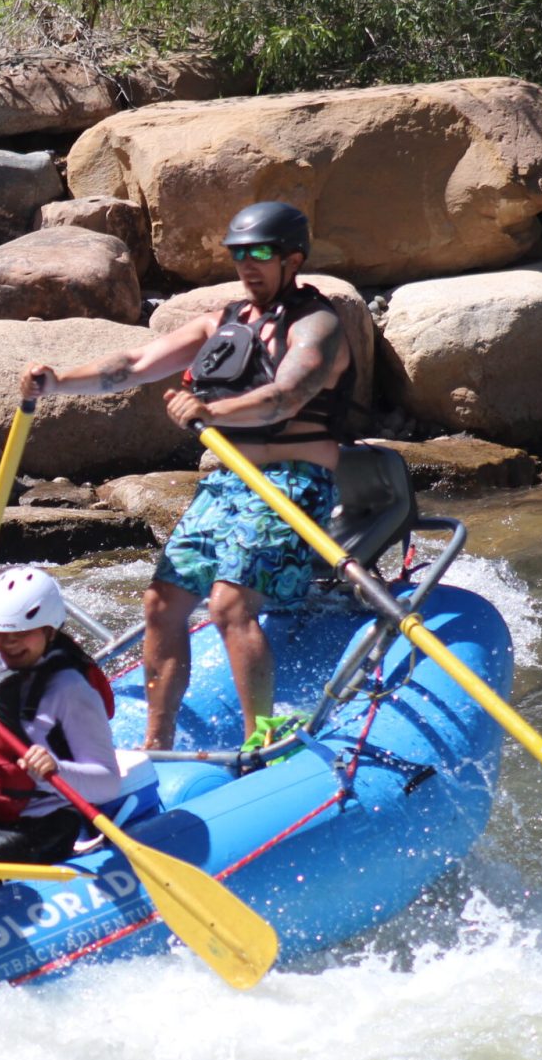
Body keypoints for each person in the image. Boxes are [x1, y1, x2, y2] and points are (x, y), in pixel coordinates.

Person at [19, 201, 353, 749]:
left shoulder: (318, 324)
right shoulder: (220, 323)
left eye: (262, 254)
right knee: (160, 602)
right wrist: (56, 380)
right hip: (228, 483)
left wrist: (210, 412)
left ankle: (260, 739)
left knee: (228, 602)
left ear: (293, 259)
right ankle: (157, 741)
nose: (248, 265)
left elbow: (285, 396)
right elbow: (129, 366)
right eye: (239, 254)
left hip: (293, 482)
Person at [0, 567, 143, 864]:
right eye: (0, 634)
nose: (9, 644)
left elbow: (108, 783)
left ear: (49, 630)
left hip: (40, 827)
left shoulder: (70, 689)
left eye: (21, 634)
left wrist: (55, 770)